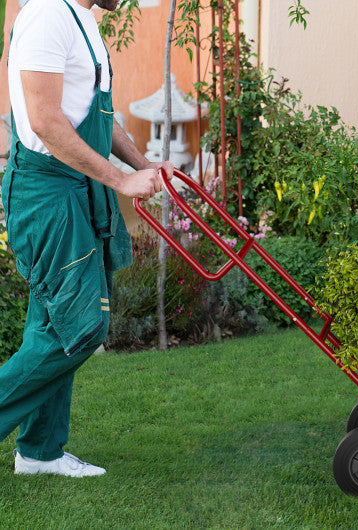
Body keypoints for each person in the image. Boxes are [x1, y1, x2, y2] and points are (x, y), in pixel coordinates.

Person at [0, 0, 174, 477]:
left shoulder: (82, 21)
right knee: (80, 328)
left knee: (50, 323)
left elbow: (96, 117)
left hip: (73, 189)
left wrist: (143, 165)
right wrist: (119, 182)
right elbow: (44, 120)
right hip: (47, 193)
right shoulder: (46, 16)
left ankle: (40, 453)